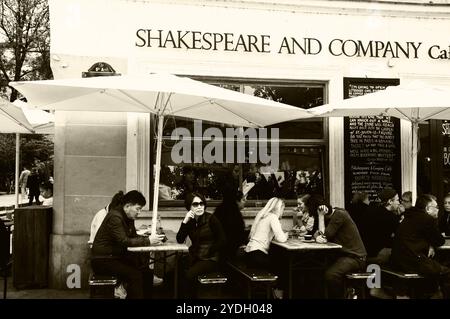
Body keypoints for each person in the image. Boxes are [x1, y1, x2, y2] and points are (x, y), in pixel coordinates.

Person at [91, 190, 165, 299]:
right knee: (135, 275)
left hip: (114, 257)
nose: (139, 212)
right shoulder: (115, 217)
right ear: (127, 206)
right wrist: (148, 241)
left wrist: (152, 239)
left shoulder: (128, 217)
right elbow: (124, 241)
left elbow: (133, 236)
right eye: (137, 209)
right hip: (103, 260)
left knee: (147, 272)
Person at [390, 194, 450, 298]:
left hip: (397, 260)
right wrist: (431, 243)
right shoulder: (427, 219)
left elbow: (419, 235)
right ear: (427, 208)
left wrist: (430, 244)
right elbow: (439, 241)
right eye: (436, 207)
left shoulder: (410, 215)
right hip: (412, 261)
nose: (438, 210)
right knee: (446, 272)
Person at [314, 196, 367, 299]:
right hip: (343, 255)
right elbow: (316, 234)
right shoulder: (330, 217)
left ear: (322, 209)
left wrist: (320, 216)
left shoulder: (339, 215)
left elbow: (323, 237)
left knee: (331, 275)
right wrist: (318, 236)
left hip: (355, 257)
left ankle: (344, 295)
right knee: (318, 271)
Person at [176, 192, 226, 297]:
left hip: (210, 259)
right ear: (189, 207)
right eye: (195, 204)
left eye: (201, 204)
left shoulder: (211, 219)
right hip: (196, 257)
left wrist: (210, 251)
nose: (199, 207)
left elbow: (222, 239)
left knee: (189, 275)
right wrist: (185, 221)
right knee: (177, 270)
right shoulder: (190, 221)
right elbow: (180, 239)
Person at [245, 197, 288, 298]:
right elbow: (281, 238)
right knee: (284, 265)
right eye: (283, 209)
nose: (283, 212)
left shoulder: (262, 215)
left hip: (249, 254)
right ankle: (279, 293)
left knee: (278, 261)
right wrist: (286, 235)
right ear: (279, 208)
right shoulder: (273, 217)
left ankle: (275, 291)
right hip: (257, 256)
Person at [359, 187, 402, 265]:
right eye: (397, 200)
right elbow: (400, 235)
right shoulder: (390, 217)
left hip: (364, 252)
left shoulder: (371, 211)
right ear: (390, 201)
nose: (399, 203)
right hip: (378, 254)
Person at [214, 190, 248, 262]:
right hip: (229, 251)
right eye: (243, 199)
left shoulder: (220, 209)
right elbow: (238, 234)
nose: (245, 201)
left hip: (219, 249)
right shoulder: (234, 214)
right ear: (237, 201)